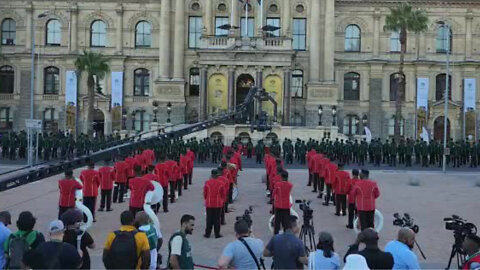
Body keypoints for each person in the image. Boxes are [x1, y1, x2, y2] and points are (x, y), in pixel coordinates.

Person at [203, 169, 225, 239]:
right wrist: (222, 200)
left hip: (209, 203)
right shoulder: (221, 183)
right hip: (218, 204)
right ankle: (217, 233)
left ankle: (207, 233)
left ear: (212, 175)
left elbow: (205, 193)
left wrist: (206, 199)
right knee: (217, 219)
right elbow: (223, 194)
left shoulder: (207, 182)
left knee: (209, 218)